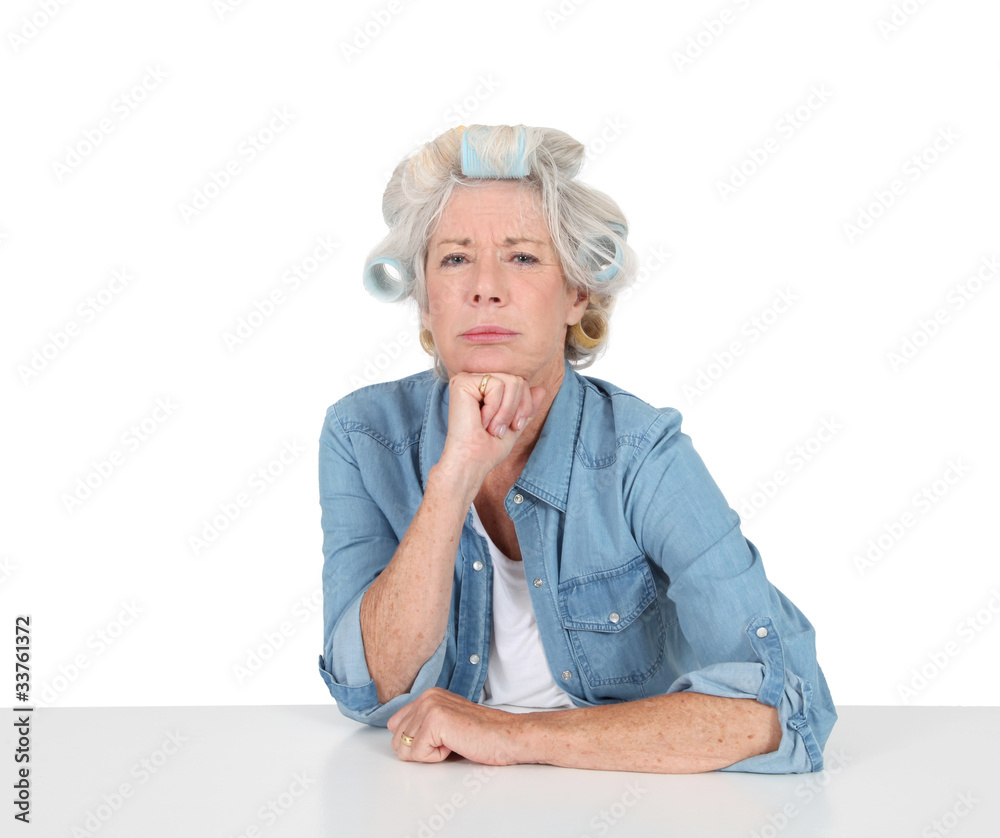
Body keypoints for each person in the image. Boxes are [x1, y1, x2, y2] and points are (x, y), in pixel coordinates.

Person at [317, 124, 836, 773]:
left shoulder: (642, 453)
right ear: (424, 302)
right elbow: (369, 689)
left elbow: (787, 713)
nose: (485, 286)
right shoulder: (362, 435)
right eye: (454, 258)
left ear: (578, 294)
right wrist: (454, 477)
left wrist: (509, 736)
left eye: (523, 256)